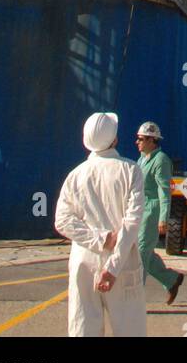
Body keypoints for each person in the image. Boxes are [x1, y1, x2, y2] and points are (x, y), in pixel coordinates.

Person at [55, 111, 147, 337]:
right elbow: (132, 222)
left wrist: (99, 239)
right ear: (114, 140)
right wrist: (113, 267)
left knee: (83, 329)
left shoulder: (75, 175)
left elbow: (63, 221)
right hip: (122, 263)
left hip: (83, 260)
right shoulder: (131, 170)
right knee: (129, 330)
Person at [136, 121, 184, 305]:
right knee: (144, 252)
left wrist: (163, 218)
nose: (137, 142)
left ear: (151, 140)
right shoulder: (142, 158)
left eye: (140, 139)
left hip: (152, 211)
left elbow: (164, 191)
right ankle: (171, 280)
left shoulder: (161, 160)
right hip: (141, 210)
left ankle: (134, 301)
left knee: (141, 253)